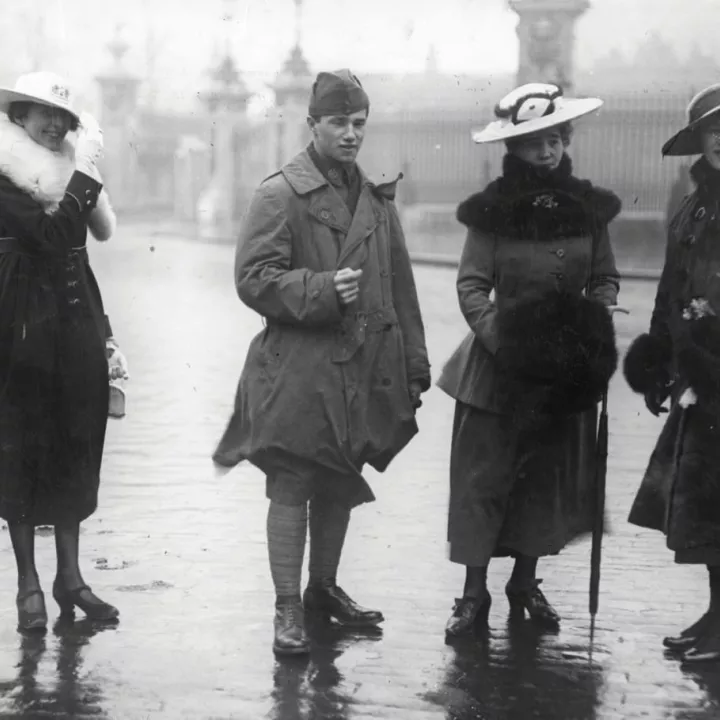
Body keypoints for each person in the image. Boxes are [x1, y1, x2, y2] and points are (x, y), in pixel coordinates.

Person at [213, 69, 430, 656]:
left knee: (340, 475)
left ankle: (323, 591)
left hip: (360, 367)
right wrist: (322, 289)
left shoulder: (376, 199)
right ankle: (286, 606)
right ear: (312, 125)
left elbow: (402, 289)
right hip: (297, 369)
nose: (351, 134)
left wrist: (414, 362)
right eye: (339, 122)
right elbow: (252, 279)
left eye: (360, 123)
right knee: (293, 480)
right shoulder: (279, 193)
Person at [437, 83, 622, 639]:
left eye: (554, 141)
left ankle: (525, 580)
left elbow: (606, 278)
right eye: (532, 144)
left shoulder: (591, 209)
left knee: (542, 479)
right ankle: (473, 594)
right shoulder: (490, 213)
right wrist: (509, 346)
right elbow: (471, 288)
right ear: (512, 150)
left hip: (564, 371)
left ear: (566, 140)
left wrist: (593, 320)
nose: (546, 153)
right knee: (484, 480)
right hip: (498, 371)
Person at [0, 72, 128, 632]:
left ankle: (70, 578)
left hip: (75, 319)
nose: (55, 125)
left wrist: (105, 333)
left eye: (65, 117)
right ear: (19, 117)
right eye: (42, 113)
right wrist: (84, 176)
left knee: (78, 439)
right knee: (21, 447)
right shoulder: (4, 175)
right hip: (19, 321)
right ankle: (29, 582)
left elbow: (81, 254)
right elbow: (52, 238)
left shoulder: (72, 176)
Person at [625, 83, 720, 664]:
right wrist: (660, 356)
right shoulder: (694, 204)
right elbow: (670, 286)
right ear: (701, 142)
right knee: (705, 510)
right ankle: (716, 616)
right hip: (699, 379)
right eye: (716, 132)